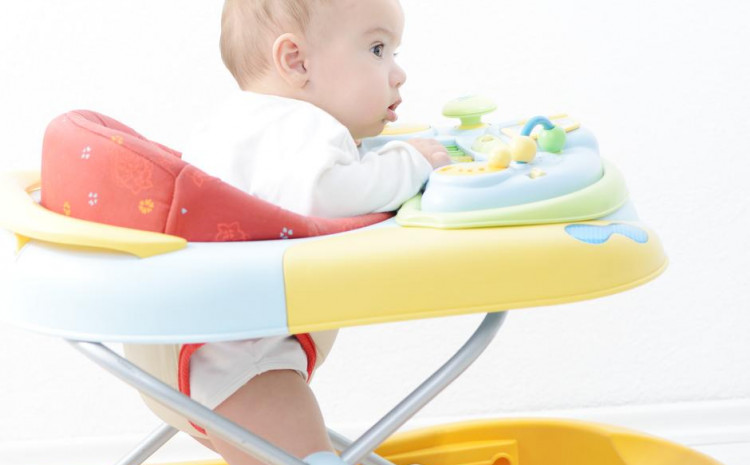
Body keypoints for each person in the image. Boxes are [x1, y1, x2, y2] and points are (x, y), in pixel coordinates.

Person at [181, 1, 451, 464]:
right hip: (247, 360)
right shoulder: (302, 123)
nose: (398, 73)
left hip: (188, 345)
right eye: (378, 48)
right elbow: (324, 194)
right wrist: (412, 163)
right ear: (296, 61)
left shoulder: (229, 123)